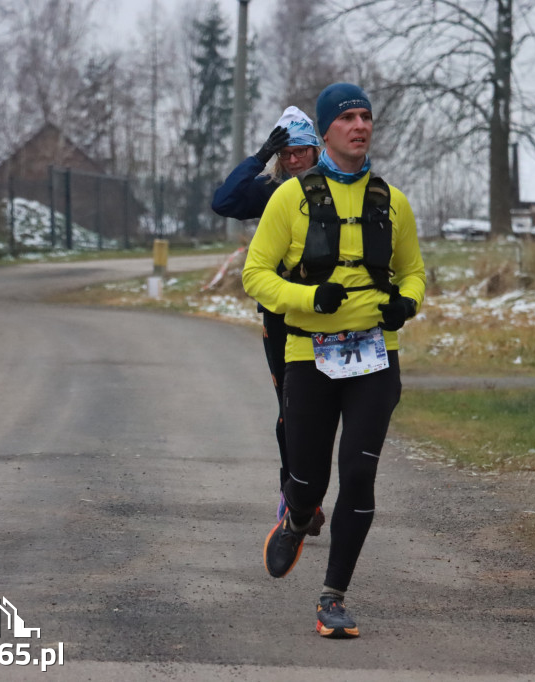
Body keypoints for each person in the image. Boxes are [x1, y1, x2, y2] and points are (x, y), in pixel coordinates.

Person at [242, 82, 426, 639]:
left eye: (366, 116)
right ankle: (298, 515)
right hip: (309, 356)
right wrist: (308, 299)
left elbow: (414, 270)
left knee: (360, 474)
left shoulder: (391, 200)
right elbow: (256, 274)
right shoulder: (290, 198)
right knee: (307, 477)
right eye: (347, 117)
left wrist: (405, 303)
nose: (359, 124)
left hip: (374, 356)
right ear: (325, 132)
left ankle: (333, 597)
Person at [211, 107, 325, 534]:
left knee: (326, 412)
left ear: (316, 151)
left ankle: (315, 489)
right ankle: (295, 496)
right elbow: (223, 202)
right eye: (286, 154)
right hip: (280, 314)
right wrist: (259, 157)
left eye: (301, 152)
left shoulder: (333, 188)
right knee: (291, 409)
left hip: (331, 314)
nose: (294, 160)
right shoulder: (271, 190)